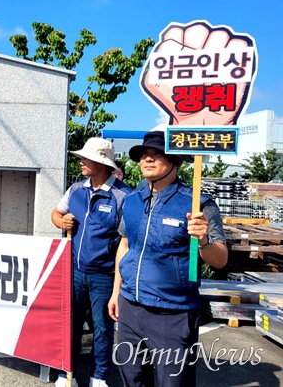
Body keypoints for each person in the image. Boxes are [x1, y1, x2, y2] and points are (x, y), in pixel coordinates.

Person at [107, 131, 228, 387]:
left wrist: (203, 240)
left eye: (156, 154)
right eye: (143, 155)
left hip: (172, 312)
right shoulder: (131, 201)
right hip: (130, 306)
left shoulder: (198, 204)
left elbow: (220, 260)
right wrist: (116, 291)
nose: (147, 160)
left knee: (172, 382)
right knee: (132, 378)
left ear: (177, 162)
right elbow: (125, 245)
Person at [51, 137, 132, 387]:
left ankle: (100, 377)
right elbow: (56, 213)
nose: (81, 162)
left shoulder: (124, 196)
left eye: (86, 158)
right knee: (69, 325)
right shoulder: (76, 189)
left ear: (102, 163)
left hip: (105, 276)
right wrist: (60, 222)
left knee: (103, 330)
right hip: (73, 271)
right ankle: (68, 374)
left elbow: (126, 242)